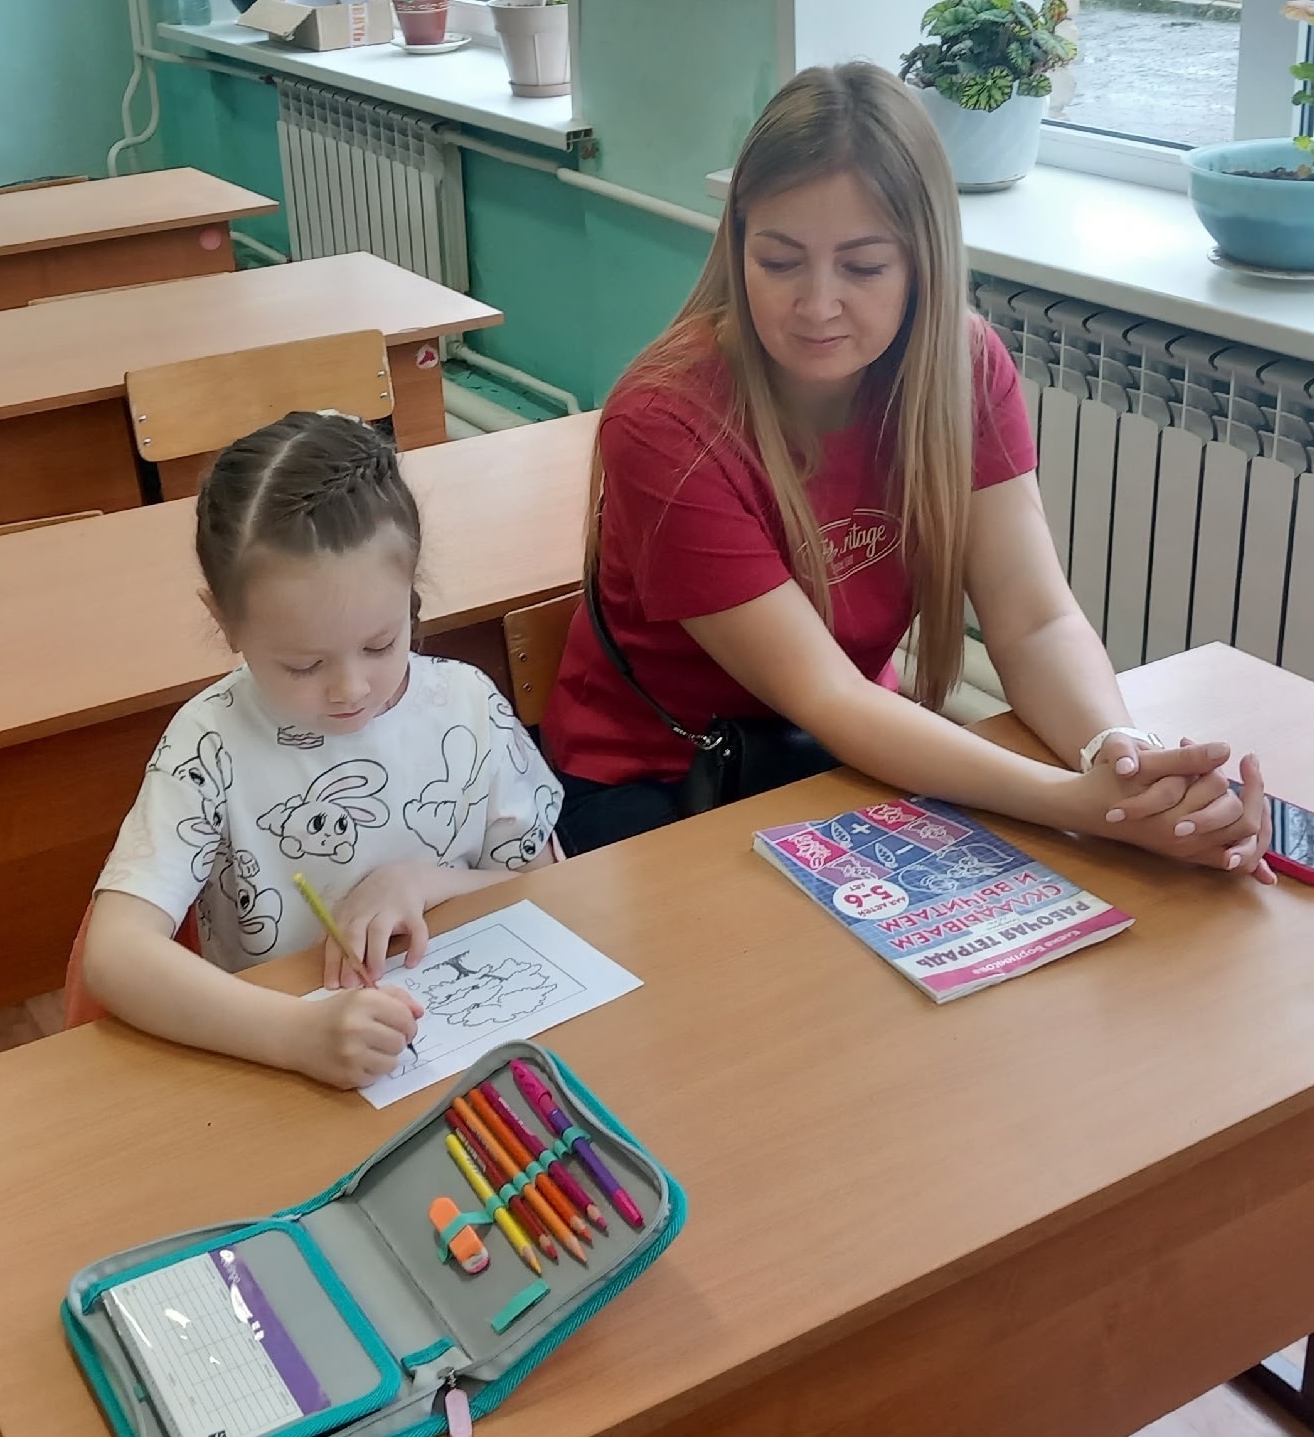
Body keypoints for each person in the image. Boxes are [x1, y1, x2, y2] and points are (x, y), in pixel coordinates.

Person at [543, 61, 1272, 874]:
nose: (818, 304)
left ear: (923, 260)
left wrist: (1124, 761)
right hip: (662, 781)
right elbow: (826, 693)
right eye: (779, 261)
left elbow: (1034, 621)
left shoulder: (962, 370)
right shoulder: (664, 421)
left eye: (863, 267)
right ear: (738, 243)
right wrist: (1081, 806)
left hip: (847, 746)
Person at [77, 412, 564, 1088]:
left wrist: (425, 883)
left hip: (467, 1047)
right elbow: (113, 954)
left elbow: (552, 886)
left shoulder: (468, 707)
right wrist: (295, 1034)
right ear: (225, 622)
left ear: (410, 590)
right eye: (303, 665)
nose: (350, 688)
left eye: (380, 643)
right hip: (280, 1073)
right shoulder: (209, 743)